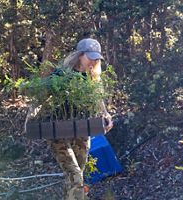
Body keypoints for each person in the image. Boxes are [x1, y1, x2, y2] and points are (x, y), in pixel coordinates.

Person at [48, 38, 113, 200]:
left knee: (76, 177)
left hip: (82, 129)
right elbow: (43, 99)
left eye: (96, 58)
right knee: (75, 175)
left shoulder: (92, 77)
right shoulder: (61, 74)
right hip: (59, 131)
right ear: (79, 55)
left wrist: (105, 114)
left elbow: (98, 99)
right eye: (90, 57)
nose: (93, 61)